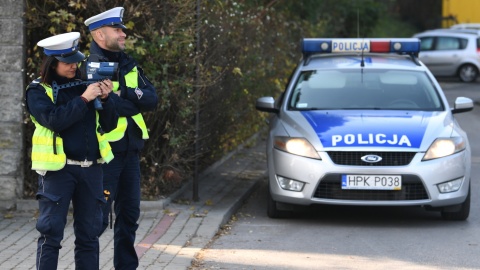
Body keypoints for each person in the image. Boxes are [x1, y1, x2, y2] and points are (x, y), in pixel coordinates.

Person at [26, 32, 118, 269]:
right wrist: (84, 99)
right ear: (52, 62)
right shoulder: (38, 90)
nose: (74, 66)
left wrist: (106, 100)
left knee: (90, 235)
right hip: (59, 172)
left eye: (76, 61)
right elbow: (54, 120)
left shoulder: (87, 83)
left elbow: (109, 125)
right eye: (67, 63)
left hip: (92, 170)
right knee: (50, 235)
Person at [84, 7, 158, 269]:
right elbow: (104, 108)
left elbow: (151, 99)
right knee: (97, 220)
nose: (124, 33)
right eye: (118, 29)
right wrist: (129, 99)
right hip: (105, 155)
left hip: (130, 154)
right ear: (99, 34)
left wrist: (120, 95)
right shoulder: (89, 67)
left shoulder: (128, 64)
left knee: (129, 217)